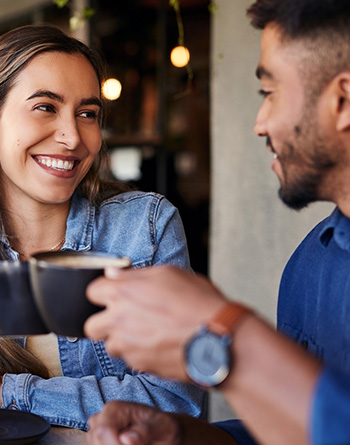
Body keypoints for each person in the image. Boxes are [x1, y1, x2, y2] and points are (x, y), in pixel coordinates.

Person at [0, 25, 206, 430]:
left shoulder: (145, 227)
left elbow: (177, 401)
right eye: (45, 107)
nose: (72, 137)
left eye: (87, 114)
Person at [84, 0, 350, 443]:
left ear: (342, 101)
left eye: (270, 93)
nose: (259, 124)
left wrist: (225, 335)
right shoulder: (311, 264)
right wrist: (184, 436)